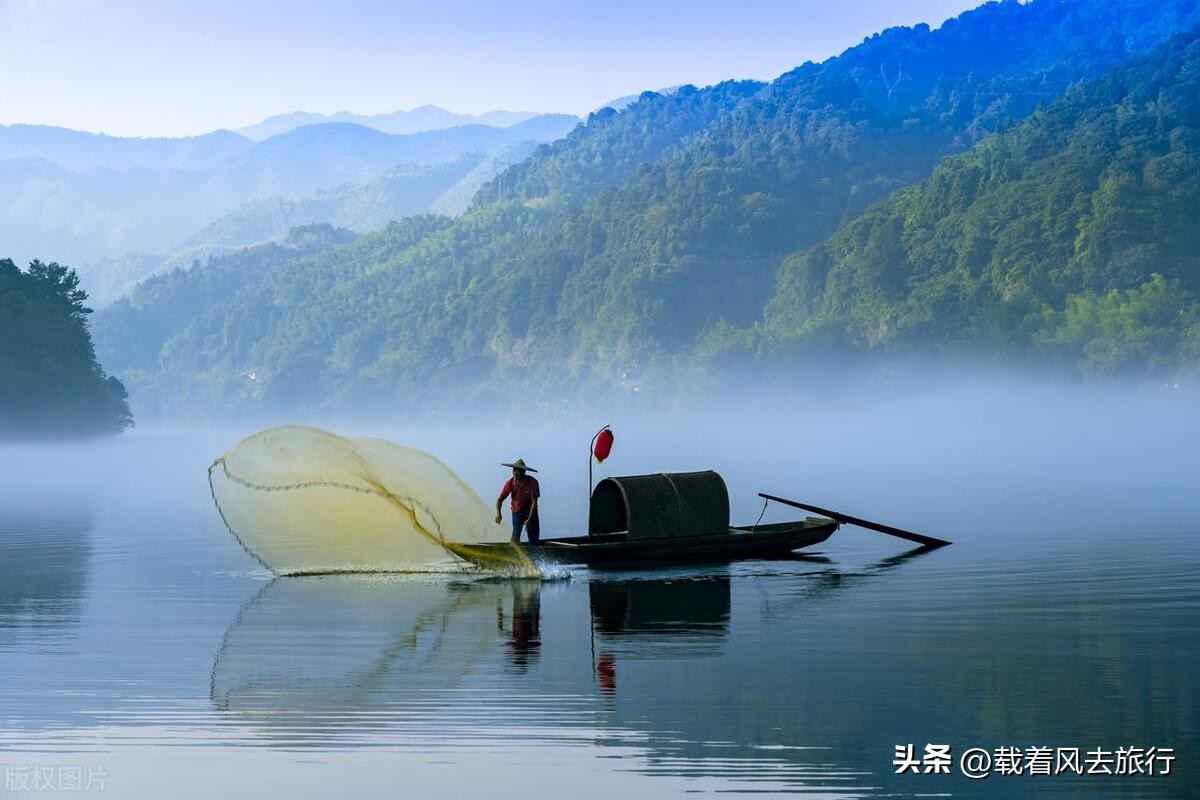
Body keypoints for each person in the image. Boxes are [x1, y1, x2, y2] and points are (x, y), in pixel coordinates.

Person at [495, 459, 540, 544]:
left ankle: (534, 550)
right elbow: (499, 500)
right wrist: (498, 514)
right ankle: (514, 550)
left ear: (523, 472)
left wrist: (529, 518)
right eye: (514, 470)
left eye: (518, 470)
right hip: (517, 513)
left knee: (534, 539)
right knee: (516, 534)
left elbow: (534, 502)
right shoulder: (510, 483)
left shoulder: (532, 482)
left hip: (531, 513)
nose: (515, 472)